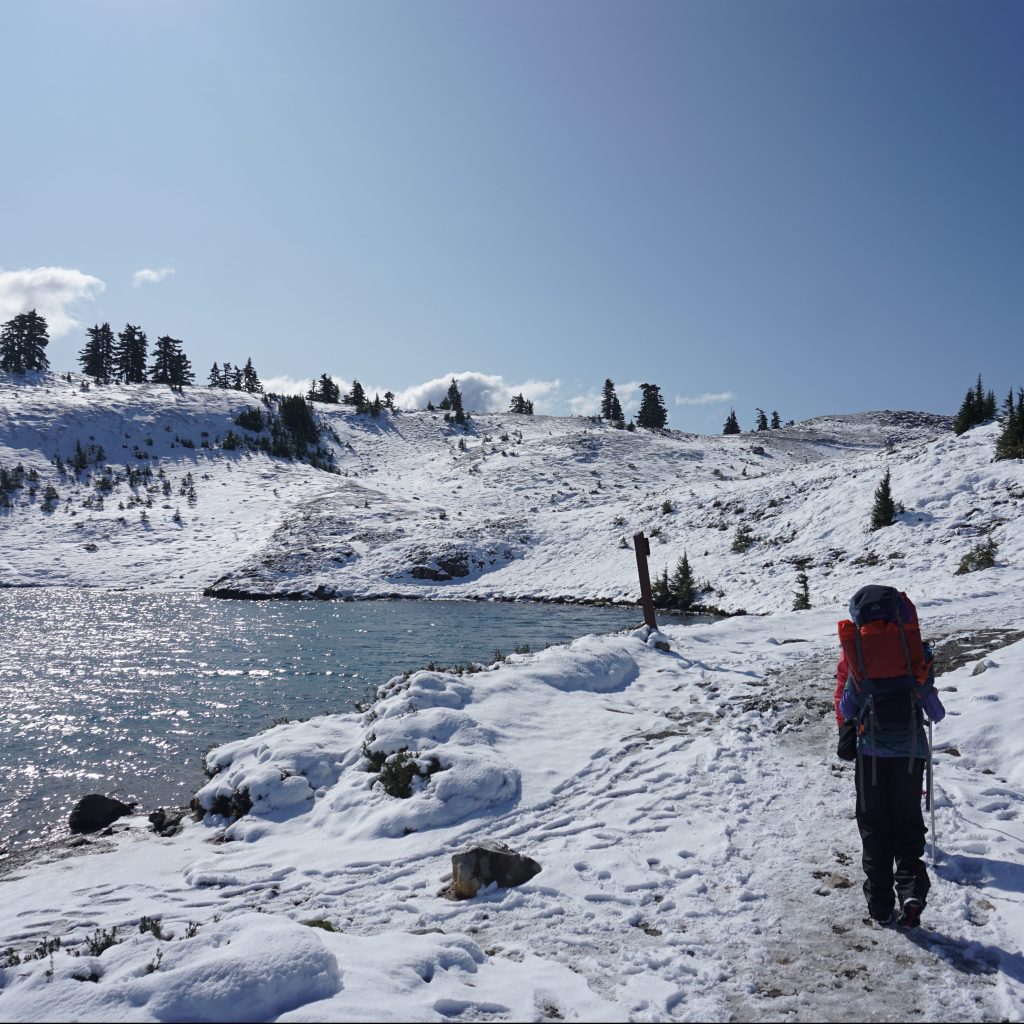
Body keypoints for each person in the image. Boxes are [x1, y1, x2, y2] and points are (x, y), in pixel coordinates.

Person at [835, 586, 945, 928]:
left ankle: (880, 905)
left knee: (874, 827)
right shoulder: (914, 659)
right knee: (908, 824)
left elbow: (847, 707)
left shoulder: (860, 661)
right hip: (911, 757)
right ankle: (912, 891)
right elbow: (936, 713)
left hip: (871, 757)